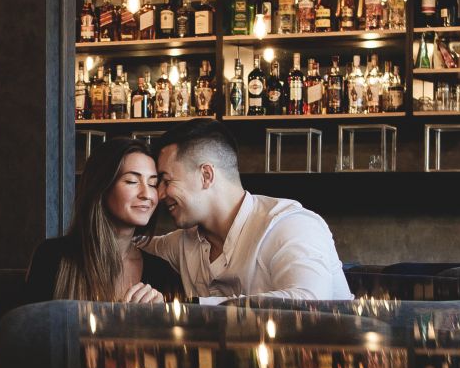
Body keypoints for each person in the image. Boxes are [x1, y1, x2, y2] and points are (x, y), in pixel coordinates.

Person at [145, 119, 351, 302]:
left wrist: (192, 308)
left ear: (206, 175)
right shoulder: (184, 242)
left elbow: (309, 303)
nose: (159, 194)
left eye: (166, 181)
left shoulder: (289, 224)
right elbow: (131, 246)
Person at [23, 138, 182, 305]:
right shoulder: (52, 257)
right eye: (132, 181)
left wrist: (160, 315)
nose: (147, 194)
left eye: (153, 184)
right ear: (102, 186)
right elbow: (32, 321)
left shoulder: (162, 273)